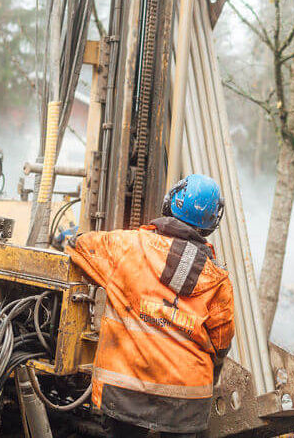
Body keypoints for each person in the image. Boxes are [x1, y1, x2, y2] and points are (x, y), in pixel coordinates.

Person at [63, 174, 235, 438]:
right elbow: (222, 343)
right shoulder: (218, 280)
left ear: (171, 202)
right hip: (186, 400)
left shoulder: (126, 247)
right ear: (212, 222)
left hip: (125, 389)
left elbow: (78, 246)